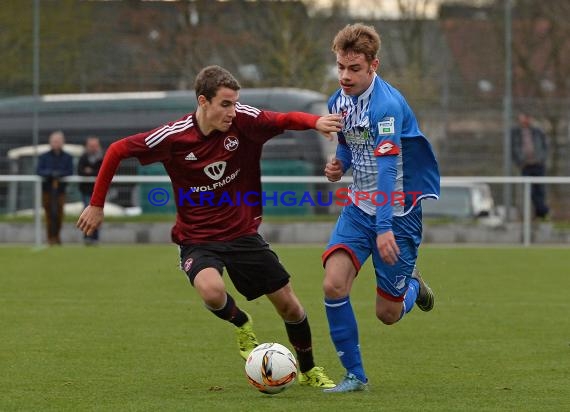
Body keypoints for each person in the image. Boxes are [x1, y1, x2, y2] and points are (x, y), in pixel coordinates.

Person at [77, 65, 342, 388]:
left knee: (290, 306)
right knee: (212, 291)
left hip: (243, 234)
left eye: (235, 103)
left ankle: (310, 370)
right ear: (203, 101)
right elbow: (118, 150)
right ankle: (243, 323)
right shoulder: (173, 137)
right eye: (225, 104)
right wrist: (96, 203)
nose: (233, 111)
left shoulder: (245, 120)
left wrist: (314, 122)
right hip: (197, 239)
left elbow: (284, 119)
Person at [320, 23, 441, 392]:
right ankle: (355, 376)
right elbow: (348, 141)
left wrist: (384, 226)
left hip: (398, 214)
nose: (345, 75)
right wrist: (340, 164)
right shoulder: (336, 101)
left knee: (386, 314)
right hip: (358, 208)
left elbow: (388, 168)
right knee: (333, 284)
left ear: (374, 65)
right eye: (341, 66)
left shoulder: (387, 105)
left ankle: (413, 288)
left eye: (354, 68)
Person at [37, 130, 74, 245]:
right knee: (48, 214)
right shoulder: (44, 157)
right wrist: (50, 173)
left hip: (60, 191)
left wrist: (60, 174)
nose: (56, 143)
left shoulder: (68, 157)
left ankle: (57, 237)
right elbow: (39, 170)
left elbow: (69, 171)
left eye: (58, 141)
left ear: (62, 142)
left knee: (59, 214)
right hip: (47, 190)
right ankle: (50, 238)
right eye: (54, 141)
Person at [511, 112, 549, 219]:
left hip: (538, 164)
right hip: (525, 166)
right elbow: (513, 148)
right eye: (521, 118)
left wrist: (542, 159)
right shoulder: (516, 132)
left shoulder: (537, 131)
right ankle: (542, 211)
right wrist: (520, 162)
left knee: (540, 189)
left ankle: (541, 212)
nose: (523, 120)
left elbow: (545, 145)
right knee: (529, 191)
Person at [77, 136, 104, 245]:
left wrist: (89, 171)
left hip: (98, 192)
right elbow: (80, 171)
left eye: (95, 146)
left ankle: (95, 238)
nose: (93, 148)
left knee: (97, 214)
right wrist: (93, 172)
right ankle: (87, 237)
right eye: (91, 146)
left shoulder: (102, 158)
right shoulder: (83, 157)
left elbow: (102, 172)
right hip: (86, 190)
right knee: (86, 213)